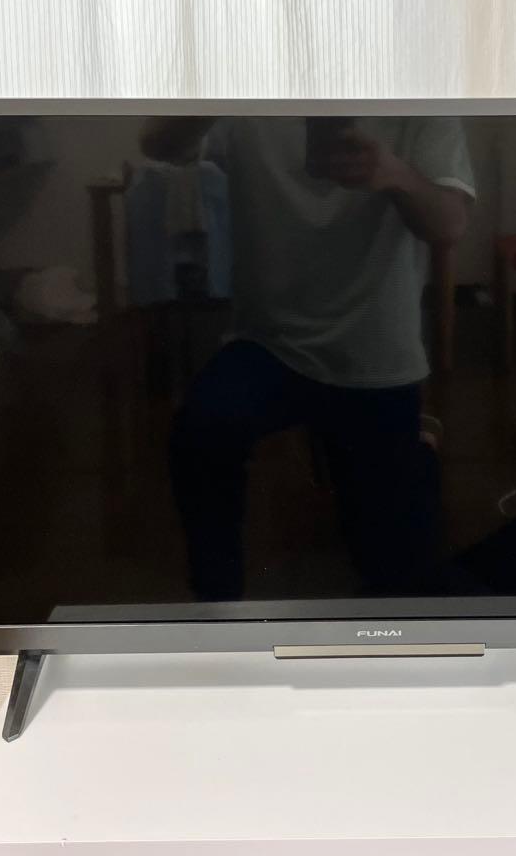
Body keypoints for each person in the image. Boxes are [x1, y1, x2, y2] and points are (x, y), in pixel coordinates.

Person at [151, 116, 474, 600]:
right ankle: (216, 614)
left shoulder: (421, 101)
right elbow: (159, 145)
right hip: (269, 343)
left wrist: (394, 174)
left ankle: (415, 451)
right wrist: (205, 97)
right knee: (200, 436)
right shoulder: (248, 93)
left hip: (375, 353)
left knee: (397, 571)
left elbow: (449, 224)